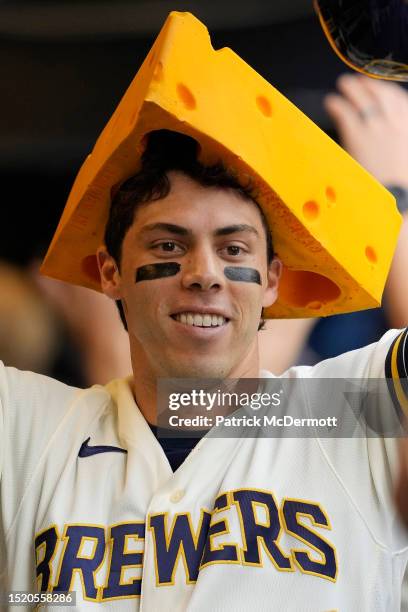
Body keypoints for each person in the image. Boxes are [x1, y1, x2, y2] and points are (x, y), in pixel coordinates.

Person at [1, 13, 408, 612]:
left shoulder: (346, 414)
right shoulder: (31, 429)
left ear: (272, 280)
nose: (204, 272)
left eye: (234, 248)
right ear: (109, 273)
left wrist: (394, 200)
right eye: (167, 245)